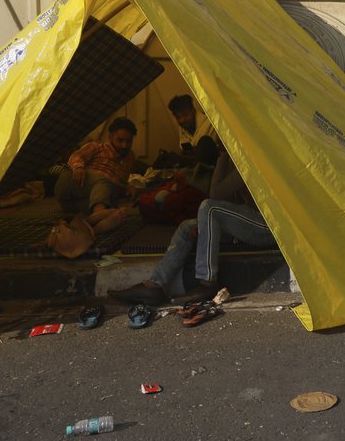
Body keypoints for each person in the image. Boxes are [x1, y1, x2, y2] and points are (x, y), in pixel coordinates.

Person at [109, 144, 274, 305]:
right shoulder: (235, 157)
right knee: (187, 227)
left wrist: (224, 154)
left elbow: (216, 194)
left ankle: (207, 283)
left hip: (268, 226)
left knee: (209, 207)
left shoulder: (252, 158)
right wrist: (223, 154)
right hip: (248, 221)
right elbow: (219, 195)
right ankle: (155, 285)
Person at [54, 117, 137, 214]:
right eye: (120, 140)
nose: (124, 145)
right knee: (103, 181)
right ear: (110, 136)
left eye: (129, 141)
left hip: (90, 199)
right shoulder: (97, 147)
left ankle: (96, 215)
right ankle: (99, 213)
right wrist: (79, 167)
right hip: (75, 185)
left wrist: (128, 186)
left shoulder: (130, 157)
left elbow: (121, 181)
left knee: (111, 198)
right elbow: (76, 156)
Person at [168, 94, 219, 166]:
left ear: (193, 111)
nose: (182, 120)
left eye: (185, 115)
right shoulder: (182, 128)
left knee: (204, 141)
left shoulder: (209, 123)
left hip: (211, 167)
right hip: (192, 167)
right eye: (178, 117)